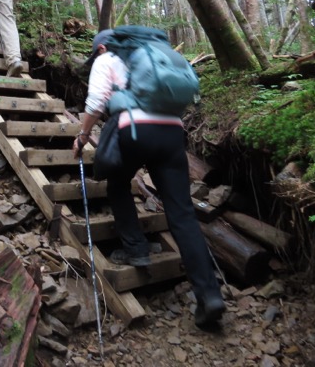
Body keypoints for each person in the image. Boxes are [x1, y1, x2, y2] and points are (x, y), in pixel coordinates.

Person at [73, 29, 227, 327]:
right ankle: (209, 295)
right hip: (172, 132)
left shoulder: (107, 59)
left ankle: (136, 251)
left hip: (134, 128)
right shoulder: (154, 55)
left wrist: (82, 136)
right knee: (182, 213)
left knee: (118, 184)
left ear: (102, 47)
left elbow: (96, 102)